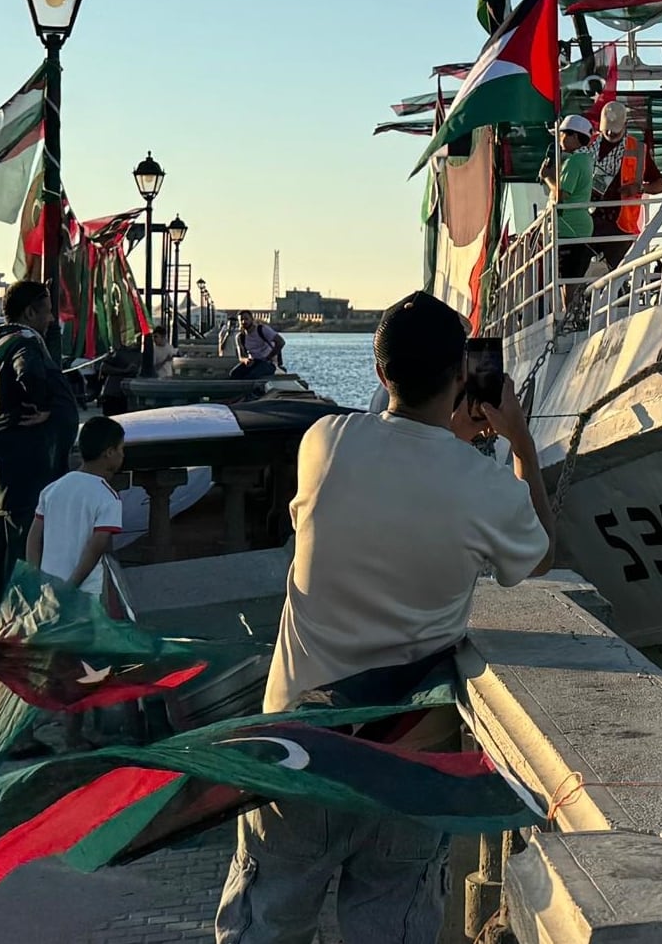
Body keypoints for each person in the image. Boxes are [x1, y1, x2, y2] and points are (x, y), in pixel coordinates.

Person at [215, 292, 553, 944]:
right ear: (462, 378)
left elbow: (389, 457)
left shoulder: (323, 442)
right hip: (409, 756)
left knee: (264, 926)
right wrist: (520, 443)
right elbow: (537, 555)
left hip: (301, 747)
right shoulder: (481, 485)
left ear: (378, 373)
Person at [0, 281, 82, 588]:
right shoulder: (24, 343)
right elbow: (30, 373)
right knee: (24, 541)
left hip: (3, 454)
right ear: (29, 312)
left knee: (3, 533)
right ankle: (16, 617)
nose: (51, 318)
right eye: (48, 311)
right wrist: (46, 406)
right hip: (26, 458)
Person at [26, 414, 126, 608]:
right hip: (85, 592)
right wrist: (71, 587)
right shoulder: (108, 497)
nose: (123, 455)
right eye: (122, 449)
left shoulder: (53, 489)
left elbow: (33, 538)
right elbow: (96, 547)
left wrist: (35, 577)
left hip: (47, 588)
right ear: (109, 452)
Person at [589, 100, 662, 270]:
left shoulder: (638, 150)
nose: (610, 134)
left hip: (622, 225)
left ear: (625, 125)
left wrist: (640, 188)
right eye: (606, 130)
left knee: (616, 275)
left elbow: (660, 185)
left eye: (614, 131)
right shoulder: (589, 145)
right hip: (588, 219)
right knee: (579, 271)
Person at [542, 113, 596, 283]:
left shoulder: (574, 162)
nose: (559, 138)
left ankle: (569, 310)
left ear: (574, 136)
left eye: (562, 134)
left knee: (568, 282)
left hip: (570, 230)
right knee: (571, 280)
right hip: (577, 228)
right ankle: (573, 309)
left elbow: (561, 196)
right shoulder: (585, 158)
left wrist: (547, 177)